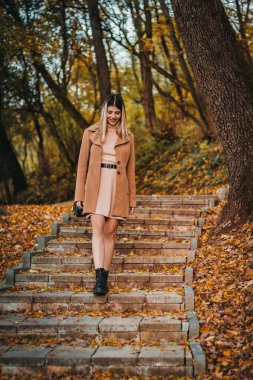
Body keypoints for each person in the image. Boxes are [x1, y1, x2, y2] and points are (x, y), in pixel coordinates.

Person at [73, 94, 136, 296]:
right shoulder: (90, 133)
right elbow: (82, 166)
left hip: (117, 187)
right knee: (98, 227)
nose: (113, 116)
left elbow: (131, 170)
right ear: (104, 111)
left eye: (117, 113)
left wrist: (132, 198)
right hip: (96, 186)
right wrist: (78, 196)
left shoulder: (128, 137)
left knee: (110, 233)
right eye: (110, 112)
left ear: (122, 114)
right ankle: (99, 278)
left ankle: (105, 276)